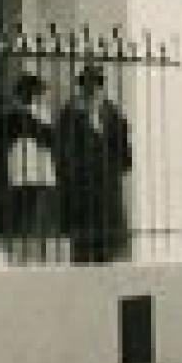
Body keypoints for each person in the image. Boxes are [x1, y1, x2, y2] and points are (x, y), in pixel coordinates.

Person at [57, 63, 132, 264]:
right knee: (82, 249)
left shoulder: (112, 112)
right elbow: (63, 151)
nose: (92, 89)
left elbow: (124, 154)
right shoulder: (70, 112)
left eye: (97, 84)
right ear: (81, 86)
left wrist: (100, 129)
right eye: (87, 84)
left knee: (108, 250)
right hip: (81, 189)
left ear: (102, 86)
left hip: (107, 188)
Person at [1, 72, 58, 262]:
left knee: (34, 218)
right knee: (27, 217)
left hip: (35, 174)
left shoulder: (35, 114)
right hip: (27, 174)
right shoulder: (22, 115)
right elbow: (47, 138)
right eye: (42, 92)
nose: (45, 96)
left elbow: (48, 139)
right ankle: (25, 254)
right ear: (34, 94)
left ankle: (29, 253)